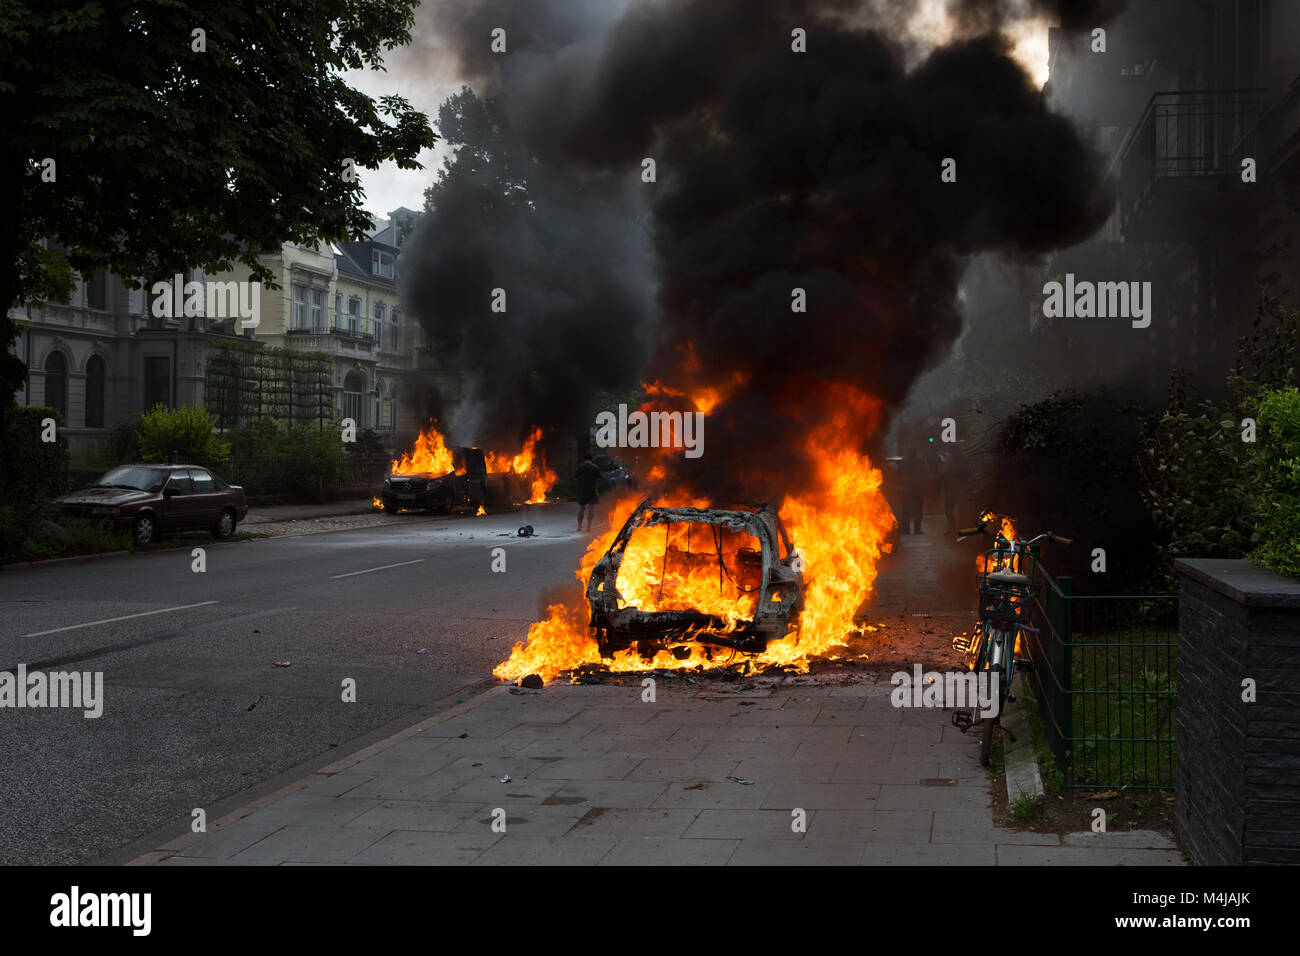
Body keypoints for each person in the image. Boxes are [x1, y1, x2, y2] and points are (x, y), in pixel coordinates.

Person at [574, 453, 602, 532]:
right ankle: (588, 527)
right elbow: (599, 477)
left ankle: (579, 526)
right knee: (591, 509)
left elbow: (576, 477)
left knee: (581, 508)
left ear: (584, 459)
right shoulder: (595, 467)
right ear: (591, 459)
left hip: (582, 490)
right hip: (592, 490)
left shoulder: (580, 467)